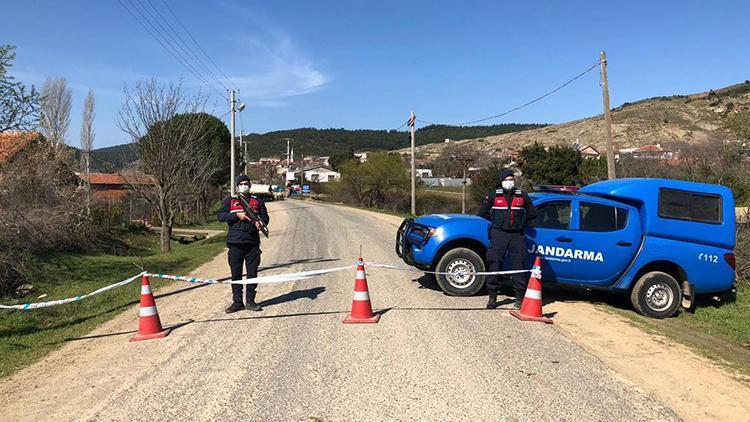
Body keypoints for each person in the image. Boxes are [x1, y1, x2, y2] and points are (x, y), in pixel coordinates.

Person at [478, 168, 537, 309]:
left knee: (518, 266)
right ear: (501, 181)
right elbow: (483, 212)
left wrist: (522, 224)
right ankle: (492, 297)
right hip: (499, 234)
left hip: (517, 235)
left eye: (511, 179)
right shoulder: (494, 195)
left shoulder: (522, 195)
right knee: (495, 264)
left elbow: (532, 214)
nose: (509, 182)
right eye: (506, 179)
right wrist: (496, 222)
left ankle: (519, 298)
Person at [217, 175, 270, 313]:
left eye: (246, 184)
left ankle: (251, 302)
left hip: (252, 243)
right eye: (241, 184)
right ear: (237, 186)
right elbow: (220, 216)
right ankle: (237, 302)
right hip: (235, 243)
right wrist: (236, 215)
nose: (244, 186)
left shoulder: (257, 201)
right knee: (236, 275)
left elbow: (265, 218)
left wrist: (260, 223)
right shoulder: (230, 201)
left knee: (252, 274)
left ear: (250, 186)